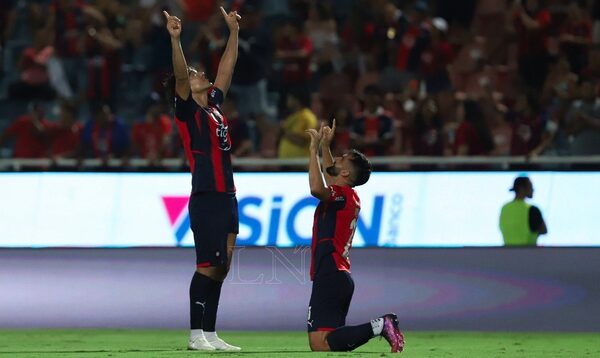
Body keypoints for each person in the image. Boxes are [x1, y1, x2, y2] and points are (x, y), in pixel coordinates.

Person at [163, 7, 241, 351]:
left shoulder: (213, 105)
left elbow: (227, 68)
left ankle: (211, 333)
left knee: (222, 267)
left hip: (227, 195)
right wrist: (175, 39)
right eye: (194, 73)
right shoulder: (188, 111)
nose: (199, 73)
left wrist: (234, 32)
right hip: (207, 196)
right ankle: (196, 334)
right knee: (208, 265)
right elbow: (180, 77)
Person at [304, 120, 405, 353]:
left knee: (320, 344)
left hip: (330, 272)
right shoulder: (347, 195)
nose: (336, 159)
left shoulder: (341, 196)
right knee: (328, 341)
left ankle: (381, 325)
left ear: (347, 172)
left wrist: (313, 151)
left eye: (341, 158)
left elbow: (317, 189)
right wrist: (325, 147)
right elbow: (331, 179)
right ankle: (380, 326)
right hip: (337, 274)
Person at [499, 176, 547, 246]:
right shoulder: (532, 209)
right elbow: (544, 230)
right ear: (522, 188)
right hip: (528, 254)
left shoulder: (504, 208)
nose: (533, 190)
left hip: (507, 254)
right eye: (530, 186)